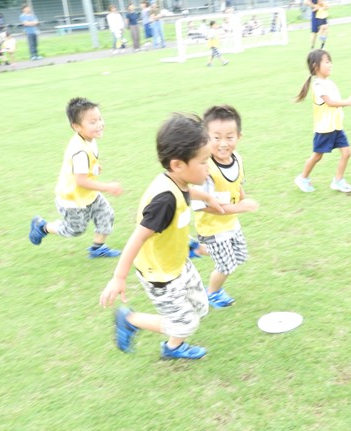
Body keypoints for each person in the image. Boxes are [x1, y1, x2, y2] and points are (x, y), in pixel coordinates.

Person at [99, 114, 214, 360]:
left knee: (199, 307)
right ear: (178, 165)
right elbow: (136, 238)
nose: (209, 167)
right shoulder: (164, 200)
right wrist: (119, 278)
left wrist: (207, 197)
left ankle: (173, 346)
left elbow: (187, 192)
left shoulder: (178, 181)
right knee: (184, 323)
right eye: (204, 162)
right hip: (160, 275)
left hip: (177, 262)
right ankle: (130, 320)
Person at [29, 97, 124, 258]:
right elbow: (81, 181)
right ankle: (42, 227)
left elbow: (85, 166)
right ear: (77, 127)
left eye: (100, 119)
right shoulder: (79, 151)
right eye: (93, 122)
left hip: (88, 195)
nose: (100, 124)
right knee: (75, 230)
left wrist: (94, 167)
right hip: (72, 199)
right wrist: (107, 187)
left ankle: (97, 249)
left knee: (106, 214)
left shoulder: (89, 139)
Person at [189, 105, 258, 309]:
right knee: (226, 265)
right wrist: (239, 208)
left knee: (240, 255)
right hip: (211, 227)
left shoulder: (237, 159)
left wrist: (243, 199)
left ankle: (196, 249)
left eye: (230, 137)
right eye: (216, 137)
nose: (223, 144)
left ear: (239, 137)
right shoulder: (205, 169)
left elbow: (237, 185)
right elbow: (202, 206)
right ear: (205, 138)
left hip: (230, 222)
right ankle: (212, 293)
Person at [293, 49, 351, 193]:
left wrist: (346, 101)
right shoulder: (318, 85)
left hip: (336, 127)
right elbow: (330, 102)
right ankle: (303, 178)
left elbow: (335, 102)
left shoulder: (330, 83)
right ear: (316, 66)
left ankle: (338, 181)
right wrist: (348, 102)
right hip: (324, 129)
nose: (330, 65)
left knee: (347, 152)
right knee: (317, 156)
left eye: (330, 62)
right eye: (327, 62)